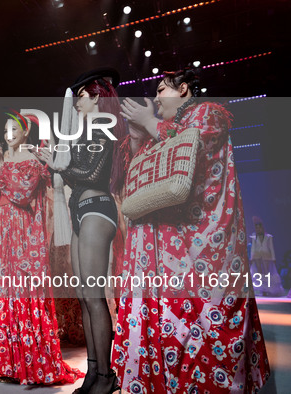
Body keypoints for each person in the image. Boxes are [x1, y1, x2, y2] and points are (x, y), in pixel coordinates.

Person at [115, 68, 270, 392]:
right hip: (177, 236)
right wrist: (141, 132)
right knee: (179, 323)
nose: (157, 98)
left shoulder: (207, 113)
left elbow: (190, 145)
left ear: (184, 88)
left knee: (207, 318)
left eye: (163, 89)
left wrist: (149, 122)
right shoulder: (169, 127)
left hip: (206, 237)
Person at [0, 115, 83, 385]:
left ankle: (23, 360)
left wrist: (0, 168)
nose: (9, 134)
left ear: (26, 132)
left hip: (22, 235)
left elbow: (22, 195)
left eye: (14, 130)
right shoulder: (1, 162)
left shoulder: (33, 160)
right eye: (6, 129)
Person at [35, 67, 126, 393]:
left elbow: (91, 173)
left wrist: (57, 163)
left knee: (95, 297)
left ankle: (106, 376)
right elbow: (77, 174)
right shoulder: (84, 131)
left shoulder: (105, 127)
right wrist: (55, 162)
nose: (75, 102)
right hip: (79, 213)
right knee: (86, 298)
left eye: (81, 95)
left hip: (98, 210)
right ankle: (94, 372)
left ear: (97, 95)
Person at [249, 216, 285, 296]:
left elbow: (271, 248)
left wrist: (273, 258)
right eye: (256, 228)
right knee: (259, 273)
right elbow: (253, 248)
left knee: (266, 272)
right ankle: (262, 289)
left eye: (259, 228)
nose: (258, 229)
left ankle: (268, 289)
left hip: (266, 255)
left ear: (262, 228)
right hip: (257, 255)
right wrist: (251, 258)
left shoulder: (268, 237)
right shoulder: (254, 237)